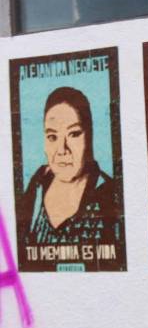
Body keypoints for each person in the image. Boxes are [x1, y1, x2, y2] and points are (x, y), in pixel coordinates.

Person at [19, 86, 120, 246]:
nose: (61, 150)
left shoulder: (109, 195)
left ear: (90, 135)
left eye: (73, 134)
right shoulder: (38, 183)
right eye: (52, 137)